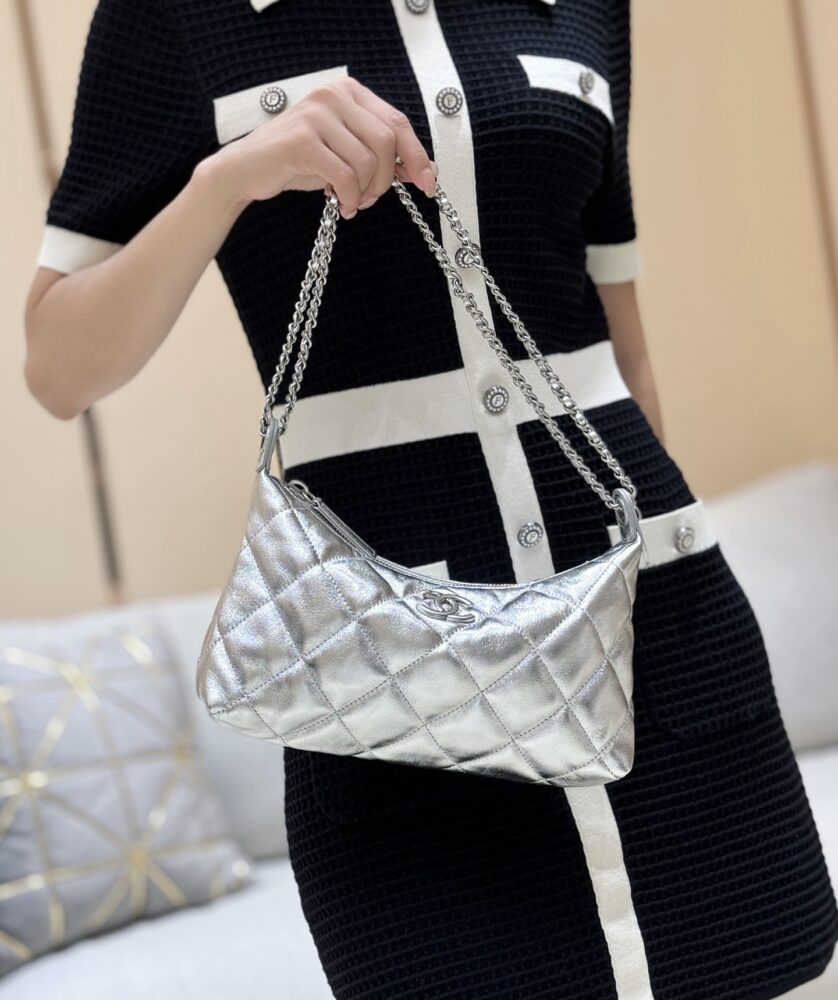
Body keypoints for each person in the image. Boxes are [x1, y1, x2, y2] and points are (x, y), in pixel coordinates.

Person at [23, 1, 838, 998]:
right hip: (387, 692)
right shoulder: (177, 19)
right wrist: (228, 178)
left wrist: (648, 578)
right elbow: (58, 368)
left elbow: (621, 342)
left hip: (660, 633)